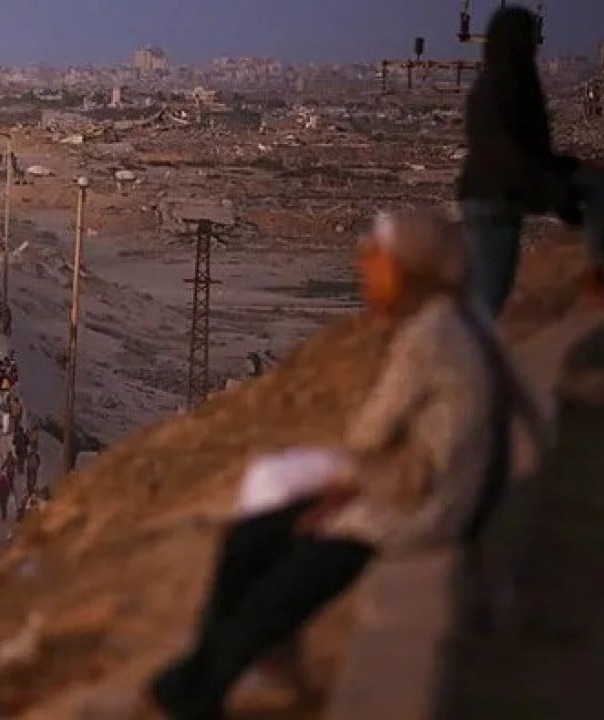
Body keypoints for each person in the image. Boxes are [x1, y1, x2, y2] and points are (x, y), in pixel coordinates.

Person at [148, 209, 550, 719]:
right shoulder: (463, 320)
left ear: (410, 268)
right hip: (428, 489)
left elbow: (369, 434)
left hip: (418, 506)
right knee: (253, 542)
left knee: (276, 583)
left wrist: (337, 491)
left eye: (377, 261)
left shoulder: (428, 337)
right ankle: (191, 685)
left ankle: (190, 692)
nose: (366, 271)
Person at [458, 4, 604, 315]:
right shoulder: (498, 89)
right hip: (493, 200)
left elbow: (530, 152)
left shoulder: (515, 84)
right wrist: (555, 191)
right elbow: (505, 155)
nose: (536, 46)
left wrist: (561, 180)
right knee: (486, 301)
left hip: (503, 193)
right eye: (530, 38)